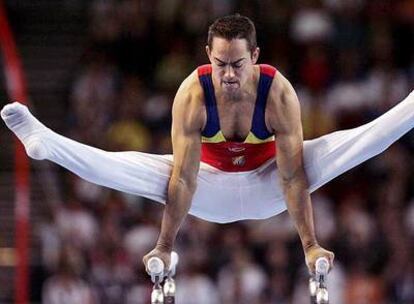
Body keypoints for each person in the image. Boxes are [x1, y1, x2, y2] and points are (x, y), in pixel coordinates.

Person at [1, 14, 413, 276]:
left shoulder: (278, 92)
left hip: (269, 187)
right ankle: (48, 143)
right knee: (140, 168)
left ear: (255, 55)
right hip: (207, 190)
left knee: (333, 148)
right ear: (207, 56)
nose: (229, 75)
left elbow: (291, 175)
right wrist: (164, 247)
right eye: (220, 64)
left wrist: (309, 245)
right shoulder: (192, 94)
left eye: (237, 64)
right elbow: (183, 179)